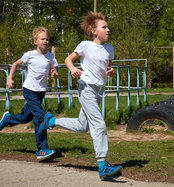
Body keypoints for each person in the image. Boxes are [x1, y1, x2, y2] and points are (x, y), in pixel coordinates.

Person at [39, 12, 122, 179]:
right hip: (86, 89)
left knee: (82, 126)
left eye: (107, 26)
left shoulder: (109, 49)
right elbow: (68, 59)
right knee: (98, 124)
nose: (108, 29)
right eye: (104, 27)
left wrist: (111, 72)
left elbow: (108, 68)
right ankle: (103, 164)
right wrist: (73, 69)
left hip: (99, 91)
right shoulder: (85, 45)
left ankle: (51, 120)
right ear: (93, 30)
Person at [0, 27, 59, 160]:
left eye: (47, 39)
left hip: (41, 91)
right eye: (42, 39)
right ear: (36, 41)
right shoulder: (30, 54)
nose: (45, 41)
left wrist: (54, 74)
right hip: (29, 90)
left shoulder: (50, 57)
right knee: (41, 118)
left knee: (26, 117)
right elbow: (15, 64)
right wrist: (10, 78)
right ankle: (42, 149)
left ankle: (7, 119)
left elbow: (54, 71)